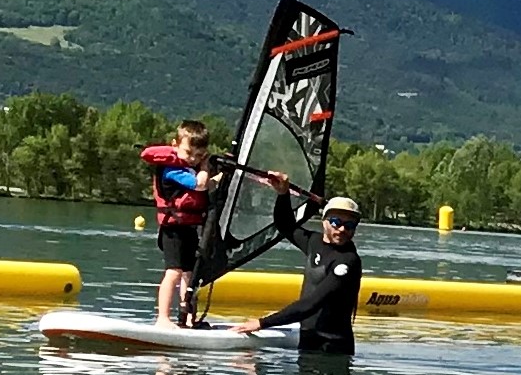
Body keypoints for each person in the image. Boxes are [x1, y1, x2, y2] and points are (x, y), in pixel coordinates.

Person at [247, 193, 363, 354]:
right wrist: (282, 193)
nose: (342, 229)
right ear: (324, 222)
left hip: (332, 349)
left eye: (349, 225)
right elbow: (285, 225)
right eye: (336, 222)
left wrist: (262, 322)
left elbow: (311, 304)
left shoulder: (347, 261)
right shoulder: (314, 242)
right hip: (309, 342)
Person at [140, 120, 226, 326]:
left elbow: (209, 185)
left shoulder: (189, 169)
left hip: (189, 228)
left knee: (190, 273)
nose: (193, 159)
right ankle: (162, 318)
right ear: (175, 145)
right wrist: (205, 167)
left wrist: (225, 175)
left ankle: (187, 317)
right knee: (174, 272)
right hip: (172, 229)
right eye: (188, 153)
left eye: (198, 155)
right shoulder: (172, 169)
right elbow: (200, 185)